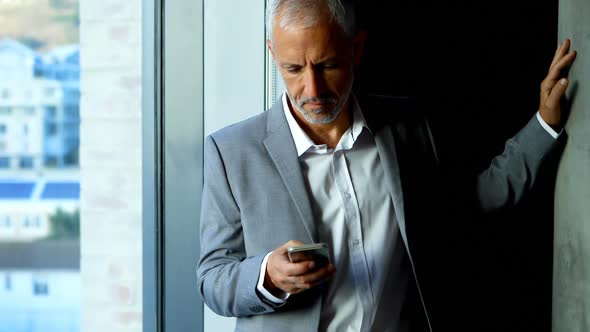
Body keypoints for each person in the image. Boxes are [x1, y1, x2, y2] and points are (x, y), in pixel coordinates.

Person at [196, 0, 577, 331]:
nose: (312, 90)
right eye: (294, 69)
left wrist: (544, 123)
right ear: (272, 54)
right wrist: (267, 276)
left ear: (356, 48)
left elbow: (475, 199)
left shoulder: (407, 128)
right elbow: (212, 278)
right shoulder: (232, 152)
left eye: (327, 66)